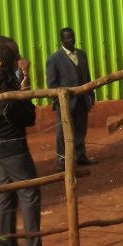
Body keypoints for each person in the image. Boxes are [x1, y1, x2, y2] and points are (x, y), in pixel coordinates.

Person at [0, 37, 47, 246]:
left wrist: (20, 81)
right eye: (16, 54)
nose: (20, 58)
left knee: (6, 196)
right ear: (10, 59)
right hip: (12, 147)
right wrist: (25, 92)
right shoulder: (7, 84)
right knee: (29, 193)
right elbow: (26, 117)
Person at [45, 27, 97, 169]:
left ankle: (80, 156)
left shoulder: (82, 54)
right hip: (65, 102)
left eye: (72, 37)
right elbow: (52, 83)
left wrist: (91, 94)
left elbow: (87, 76)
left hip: (82, 99)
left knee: (80, 128)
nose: (71, 40)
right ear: (62, 40)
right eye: (67, 38)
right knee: (62, 132)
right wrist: (58, 101)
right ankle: (62, 160)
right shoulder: (54, 59)